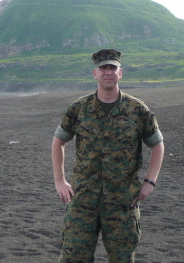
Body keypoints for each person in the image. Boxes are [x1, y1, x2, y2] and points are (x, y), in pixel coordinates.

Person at [52, 48, 164, 263]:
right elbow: (59, 142)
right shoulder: (78, 109)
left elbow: (157, 145)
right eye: (103, 68)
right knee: (73, 257)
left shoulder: (137, 110)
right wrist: (59, 181)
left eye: (113, 68)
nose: (108, 72)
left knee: (122, 258)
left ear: (120, 73)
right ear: (95, 74)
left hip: (123, 201)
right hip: (83, 199)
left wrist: (150, 181)